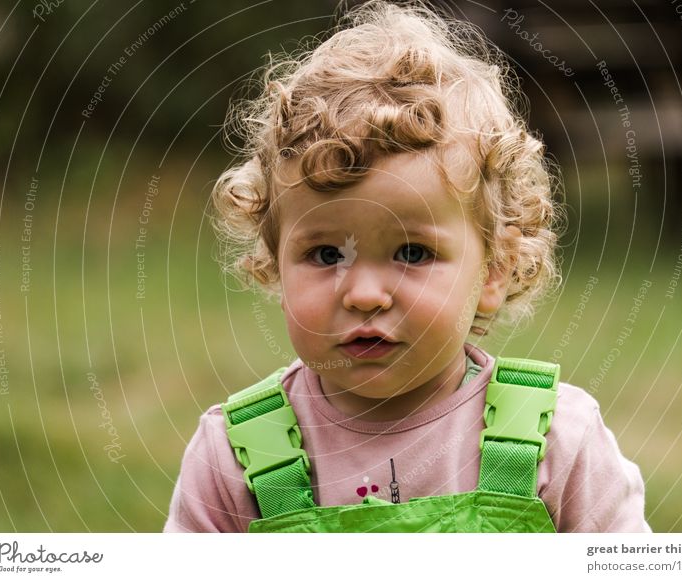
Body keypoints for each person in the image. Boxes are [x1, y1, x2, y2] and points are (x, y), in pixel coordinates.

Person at [164, 0, 649, 533]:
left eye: (413, 253)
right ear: (276, 265)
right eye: (326, 254)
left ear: (494, 271)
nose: (366, 294)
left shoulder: (557, 444)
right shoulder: (233, 460)